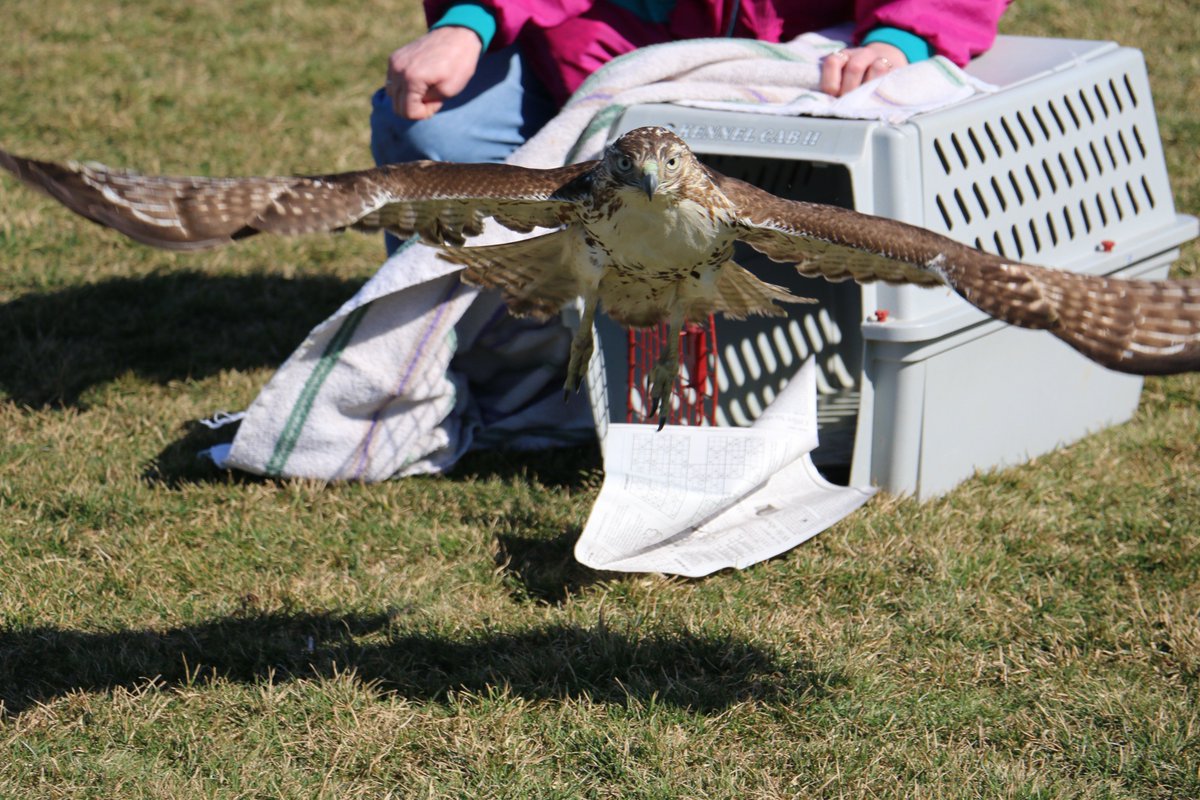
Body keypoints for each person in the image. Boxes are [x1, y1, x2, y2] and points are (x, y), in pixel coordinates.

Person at [363, 0, 1008, 464]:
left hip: (808, 57)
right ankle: (519, 386)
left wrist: (905, 33)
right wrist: (471, 18)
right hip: (596, 51)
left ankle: (663, 391)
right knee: (437, 131)